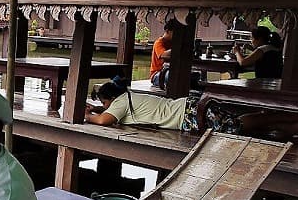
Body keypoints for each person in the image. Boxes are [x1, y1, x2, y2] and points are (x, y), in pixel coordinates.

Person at [85, 76, 298, 138]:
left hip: (191, 115)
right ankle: (286, 124)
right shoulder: (125, 98)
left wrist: (87, 116)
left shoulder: (120, 102)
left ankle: (270, 116)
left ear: (111, 98)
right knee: (241, 126)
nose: (103, 107)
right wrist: (97, 109)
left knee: (236, 126)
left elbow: (106, 120)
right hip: (191, 108)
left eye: (103, 103)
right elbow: (108, 112)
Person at [150, 20, 175, 88]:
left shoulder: (173, 43)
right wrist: (177, 48)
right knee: (171, 76)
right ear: (167, 31)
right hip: (157, 74)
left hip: (171, 71)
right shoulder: (159, 42)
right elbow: (163, 55)